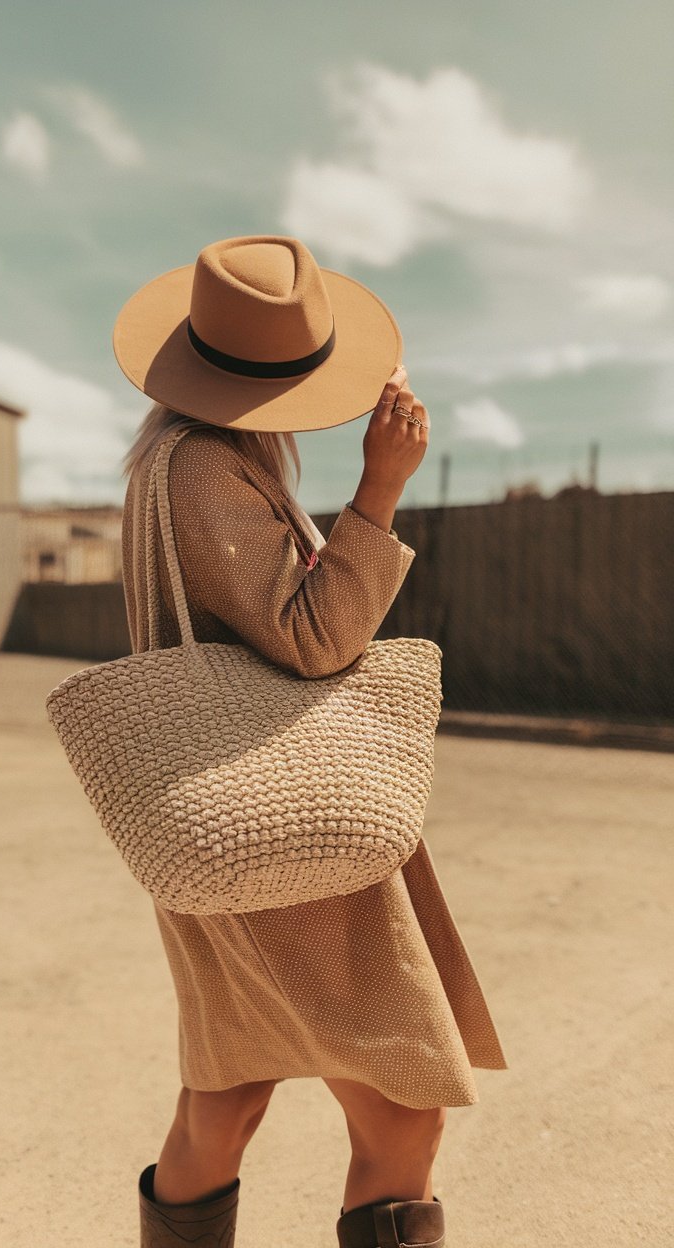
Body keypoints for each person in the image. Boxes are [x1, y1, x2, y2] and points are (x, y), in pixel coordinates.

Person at [115, 235, 508, 1248]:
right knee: (400, 1111)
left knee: (227, 1095)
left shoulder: (173, 464)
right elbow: (313, 638)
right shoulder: (203, 472)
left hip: (219, 825)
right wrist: (380, 488)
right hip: (285, 842)